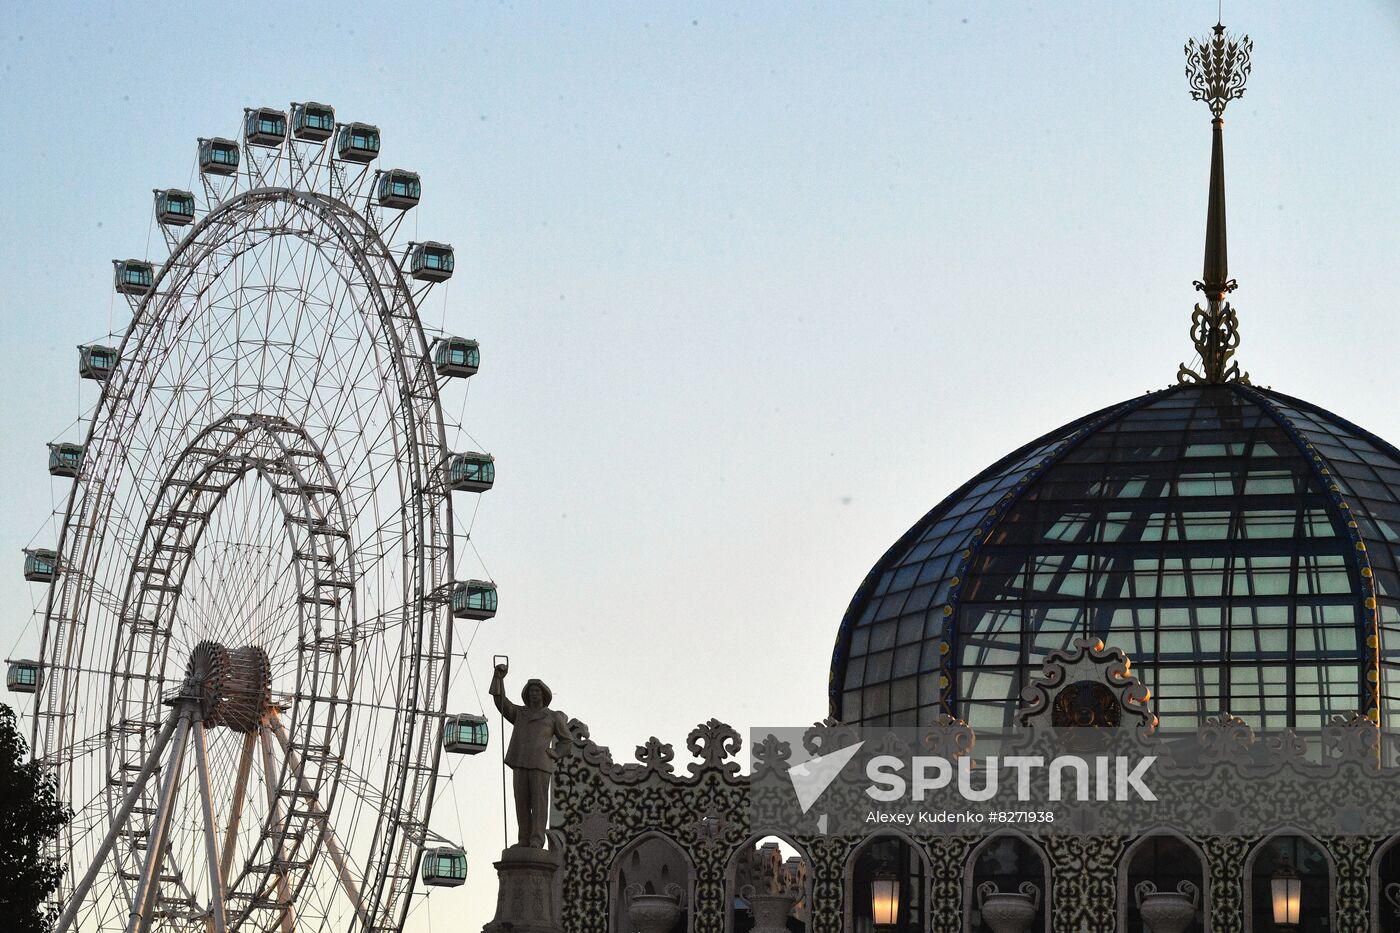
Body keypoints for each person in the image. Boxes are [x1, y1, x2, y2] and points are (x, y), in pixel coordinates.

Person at [489, 662, 572, 848]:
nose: (535, 694)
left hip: (541, 763)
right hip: (520, 762)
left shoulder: (552, 717)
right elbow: (501, 702)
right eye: (532, 691)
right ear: (527, 695)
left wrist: (556, 753)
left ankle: (537, 839)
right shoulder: (520, 713)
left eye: (537, 691)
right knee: (522, 804)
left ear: (544, 695)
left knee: (539, 804)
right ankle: (523, 839)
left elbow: (567, 740)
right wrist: (498, 678)